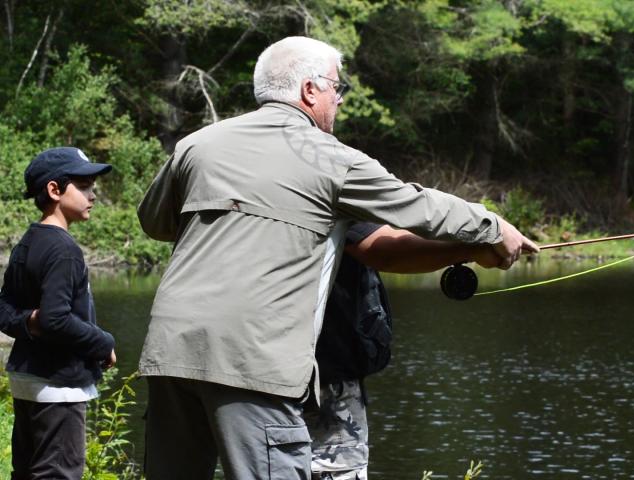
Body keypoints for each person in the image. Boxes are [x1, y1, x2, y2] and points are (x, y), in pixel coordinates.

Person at [137, 36, 538, 480]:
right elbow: (418, 206)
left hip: (171, 352)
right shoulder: (329, 157)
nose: (340, 98)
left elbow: (155, 222)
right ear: (310, 90)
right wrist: (495, 228)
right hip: (254, 359)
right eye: (336, 87)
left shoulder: (198, 145)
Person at [308, 223, 503, 480]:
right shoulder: (331, 186)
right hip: (327, 384)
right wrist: (473, 246)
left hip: (259, 377)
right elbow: (385, 249)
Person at [0, 147, 117, 480]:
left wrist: (27, 322)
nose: (92, 194)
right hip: (57, 385)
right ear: (55, 190)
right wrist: (102, 341)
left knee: (27, 471)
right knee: (57, 473)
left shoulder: (28, 242)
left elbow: (4, 307)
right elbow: (56, 319)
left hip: (26, 380)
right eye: (84, 185)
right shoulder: (64, 249)